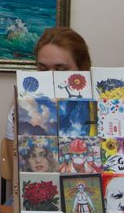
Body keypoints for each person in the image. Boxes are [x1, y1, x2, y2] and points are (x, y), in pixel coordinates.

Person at [5, 27, 92, 173]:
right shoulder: (21, 110)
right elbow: (17, 173)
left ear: (82, 69)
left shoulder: (101, 107)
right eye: (43, 69)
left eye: (61, 69)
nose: (50, 77)